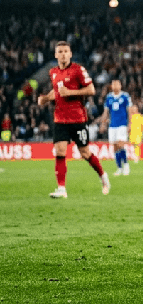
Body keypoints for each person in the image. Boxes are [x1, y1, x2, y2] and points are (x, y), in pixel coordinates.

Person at [37, 41, 110, 198]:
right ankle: (61, 189)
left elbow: (91, 89)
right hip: (60, 119)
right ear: (56, 55)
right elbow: (57, 91)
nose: (63, 54)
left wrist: (70, 92)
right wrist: (45, 98)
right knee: (60, 150)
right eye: (60, 51)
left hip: (77, 119)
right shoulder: (53, 72)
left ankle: (103, 176)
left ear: (70, 54)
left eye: (66, 51)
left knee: (85, 153)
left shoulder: (78, 70)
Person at [99, 80, 133, 176]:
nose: (115, 86)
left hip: (122, 124)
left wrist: (130, 124)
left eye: (117, 84)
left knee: (120, 144)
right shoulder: (109, 97)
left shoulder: (125, 96)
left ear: (120, 85)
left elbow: (129, 111)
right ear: (111, 86)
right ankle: (119, 168)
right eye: (113, 84)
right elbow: (106, 112)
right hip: (112, 125)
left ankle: (126, 165)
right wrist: (103, 124)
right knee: (114, 147)